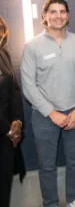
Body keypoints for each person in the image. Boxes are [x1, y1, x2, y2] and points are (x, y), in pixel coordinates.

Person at [21, 0, 75, 207]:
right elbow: (28, 85)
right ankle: (50, 203)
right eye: (53, 11)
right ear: (44, 16)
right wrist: (52, 113)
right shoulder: (32, 45)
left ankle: (73, 198)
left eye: (62, 11)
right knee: (47, 165)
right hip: (44, 116)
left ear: (68, 16)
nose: (58, 16)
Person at [0, 16, 25, 207]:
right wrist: (9, 128)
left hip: (7, 135)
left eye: (1, 28)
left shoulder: (3, 54)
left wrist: (18, 122)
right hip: (4, 130)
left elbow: (14, 90)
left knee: (4, 185)